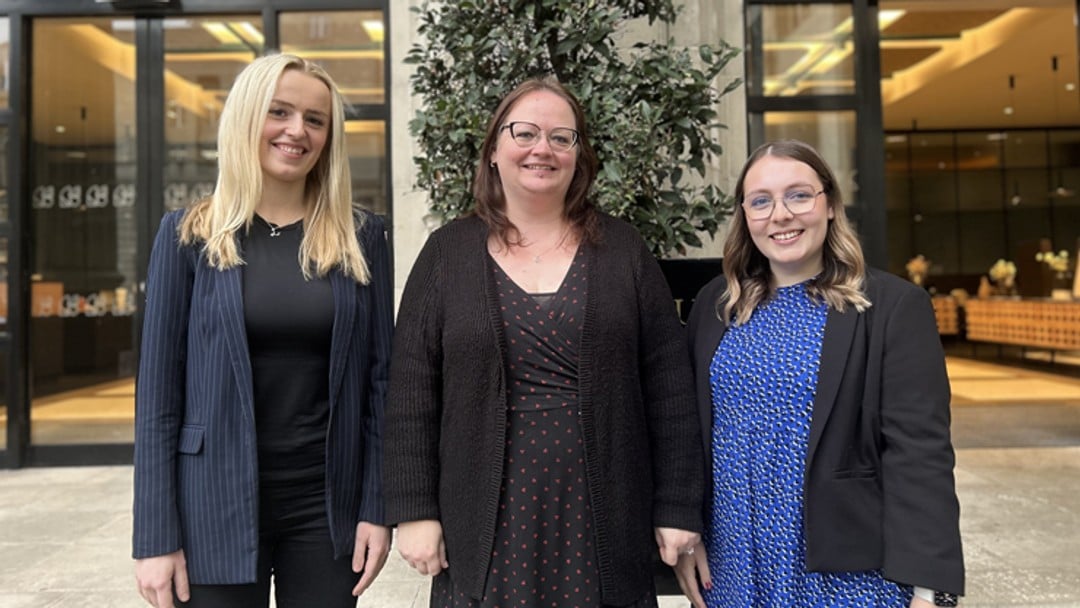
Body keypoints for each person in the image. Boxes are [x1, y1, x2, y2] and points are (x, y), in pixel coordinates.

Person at [383, 76, 704, 607]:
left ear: (579, 156)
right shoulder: (447, 253)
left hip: (603, 516)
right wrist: (415, 510)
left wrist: (677, 505)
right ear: (493, 150)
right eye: (525, 132)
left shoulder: (624, 251)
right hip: (485, 520)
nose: (543, 149)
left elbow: (668, 388)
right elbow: (412, 392)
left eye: (562, 137)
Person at [132, 53, 393, 608]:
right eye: (280, 112)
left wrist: (377, 506)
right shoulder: (186, 236)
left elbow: (381, 384)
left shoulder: (361, 238)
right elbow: (157, 398)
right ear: (248, 118)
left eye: (315, 119)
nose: (297, 131)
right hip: (210, 505)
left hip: (326, 509)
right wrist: (154, 538)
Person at [678, 139, 964, 608]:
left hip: (846, 573)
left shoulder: (890, 307)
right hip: (733, 566)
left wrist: (931, 589)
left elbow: (920, 454)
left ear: (829, 204)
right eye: (761, 200)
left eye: (799, 195)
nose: (781, 214)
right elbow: (687, 432)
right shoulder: (717, 305)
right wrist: (685, 531)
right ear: (745, 214)